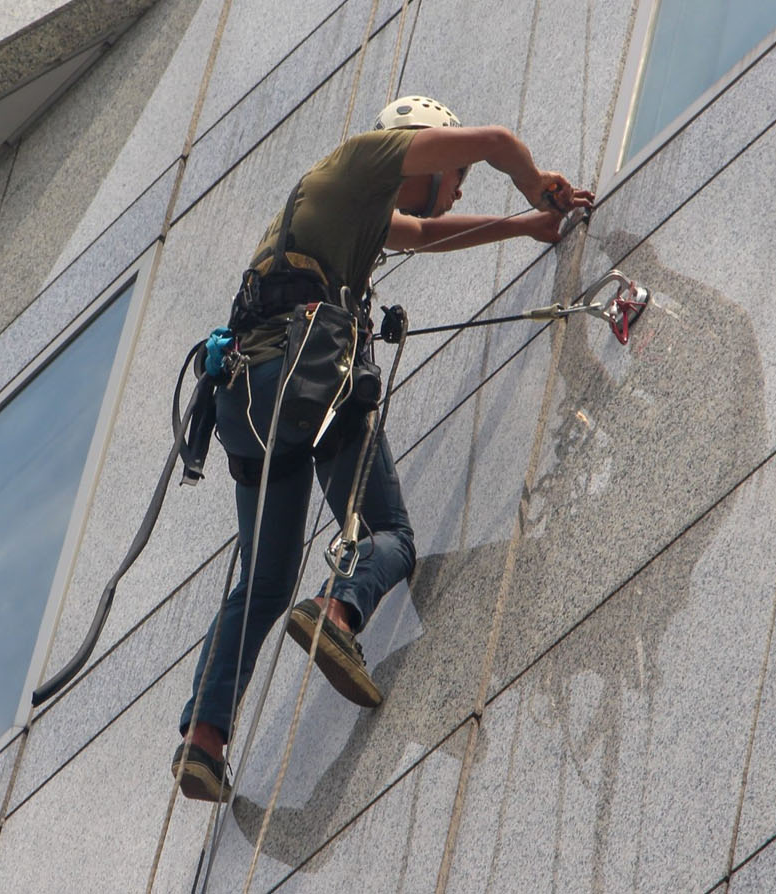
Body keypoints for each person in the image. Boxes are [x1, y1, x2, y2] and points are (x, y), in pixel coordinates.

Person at [171, 96, 595, 802]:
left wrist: (523, 227)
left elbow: (423, 232)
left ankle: (203, 739)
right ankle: (339, 611)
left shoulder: (343, 209)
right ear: (424, 150)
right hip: (309, 379)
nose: (457, 187)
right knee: (391, 534)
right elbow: (494, 139)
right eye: (453, 173)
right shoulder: (363, 159)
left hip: (246, 400)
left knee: (264, 583)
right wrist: (536, 183)